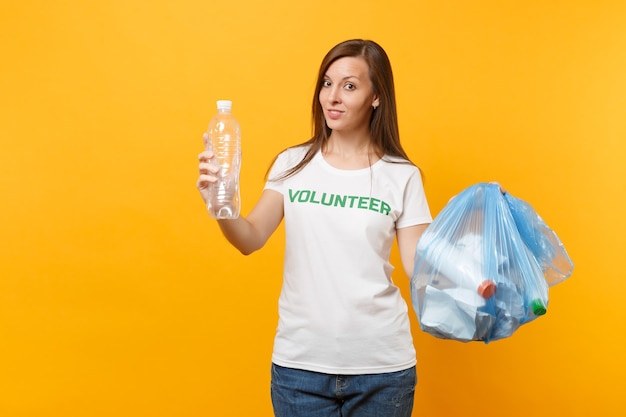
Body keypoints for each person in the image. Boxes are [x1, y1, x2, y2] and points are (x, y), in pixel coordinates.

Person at [197, 39, 432, 417]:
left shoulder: (401, 176)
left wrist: (477, 248)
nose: (333, 97)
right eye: (327, 83)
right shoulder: (293, 164)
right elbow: (250, 238)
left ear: (376, 97)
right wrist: (219, 202)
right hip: (299, 367)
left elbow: (421, 268)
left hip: (381, 369)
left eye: (350, 86)